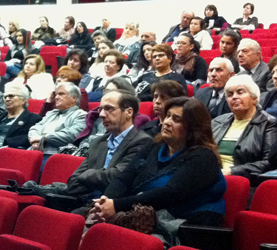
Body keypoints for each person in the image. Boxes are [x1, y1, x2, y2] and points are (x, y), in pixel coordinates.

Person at [91, 97, 226, 226]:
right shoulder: (153, 147)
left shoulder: (203, 157)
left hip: (185, 226)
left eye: (176, 119)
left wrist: (117, 205)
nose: (167, 122)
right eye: (168, 116)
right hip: (143, 217)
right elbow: (124, 179)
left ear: (194, 127)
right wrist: (104, 203)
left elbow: (170, 194)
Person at [59, 91, 154, 205]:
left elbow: (117, 178)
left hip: (113, 206)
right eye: (100, 109)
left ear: (128, 112)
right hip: (84, 201)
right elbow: (73, 182)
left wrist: (87, 174)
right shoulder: (98, 142)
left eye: (109, 108)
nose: (101, 114)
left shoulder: (142, 142)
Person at [211, 75, 277, 184]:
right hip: (211, 177)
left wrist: (231, 171)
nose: (234, 97)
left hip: (243, 181)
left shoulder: (268, 123)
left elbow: (270, 162)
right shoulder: (218, 121)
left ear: (254, 98)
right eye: (230, 94)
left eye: (240, 92)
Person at [0, 82, 42, 149]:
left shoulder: (33, 119)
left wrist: (9, 144)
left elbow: (30, 137)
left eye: (11, 96)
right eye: (5, 97)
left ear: (23, 100)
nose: (7, 99)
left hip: (8, 153)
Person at [27, 83, 86, 160]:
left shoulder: (81, 115)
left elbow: (71, 135)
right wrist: (35, 140)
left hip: (57, 155)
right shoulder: (51, 113)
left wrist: (43, 138)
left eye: (61, 94)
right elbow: (36, 127)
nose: (56, 97)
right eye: (56, 94)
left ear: (74, 98)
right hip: (35, 151)